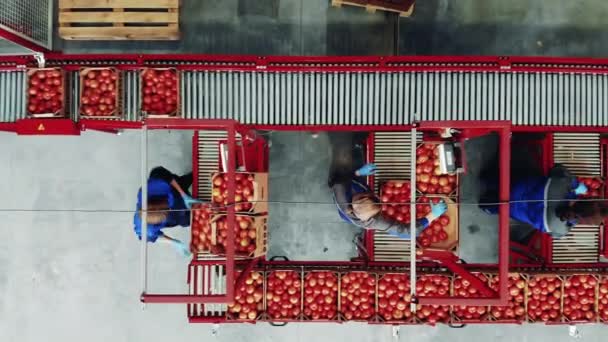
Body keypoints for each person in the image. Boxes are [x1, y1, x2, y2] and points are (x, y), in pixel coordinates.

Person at [481, 165, 608, 238]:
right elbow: (555, 235)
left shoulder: (564, 184)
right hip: (511, 209)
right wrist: (572, 219)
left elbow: (557, 169)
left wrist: (576, 186)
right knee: (498, 205)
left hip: (514, 185)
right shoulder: (561, 229)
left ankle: (487, 179)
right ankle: (486, 205)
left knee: (502, 181)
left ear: (585, 198)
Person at [330, 163, 447, 238]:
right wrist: (432, 215)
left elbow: (340, 178)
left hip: (351, 184)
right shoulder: (373, 222)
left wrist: (358, 173)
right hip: (346, 193)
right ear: (373, 217)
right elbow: (408, 232)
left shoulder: (343, 189)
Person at [134, 166, 202, 256]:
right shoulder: (145, 229)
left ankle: (189, 181)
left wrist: (183, 194)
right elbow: (153, 236)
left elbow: (161, 173)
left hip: (173, 190)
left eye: (167, 209)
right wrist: (174, 242)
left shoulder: (153, 187)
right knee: (189, 220)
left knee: (184, 181)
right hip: (175, 216)